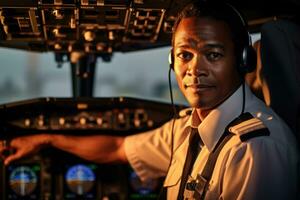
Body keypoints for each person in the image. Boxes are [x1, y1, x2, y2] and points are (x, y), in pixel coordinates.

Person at [1, 1, 299, 199]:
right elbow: (118, 148)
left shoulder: (256, 148)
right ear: (173, 60)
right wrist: (45, 140)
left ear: (243, 60)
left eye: (213, 54)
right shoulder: (187, 129)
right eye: (185, 55)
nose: (194, 69)